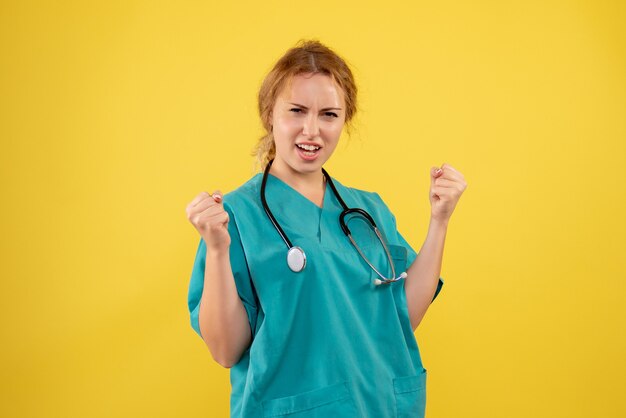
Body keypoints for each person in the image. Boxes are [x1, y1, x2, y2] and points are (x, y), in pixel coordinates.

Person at [186, 39, 467, 418]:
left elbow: (400, 319)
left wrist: (440, 220)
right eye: (296, 111)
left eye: (329, 115)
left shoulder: (366, 210)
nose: (311, 130)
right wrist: (218, 249)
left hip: (381, 406)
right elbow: (225, 350)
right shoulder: (235, 216)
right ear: (270, 114)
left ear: (344, 120)